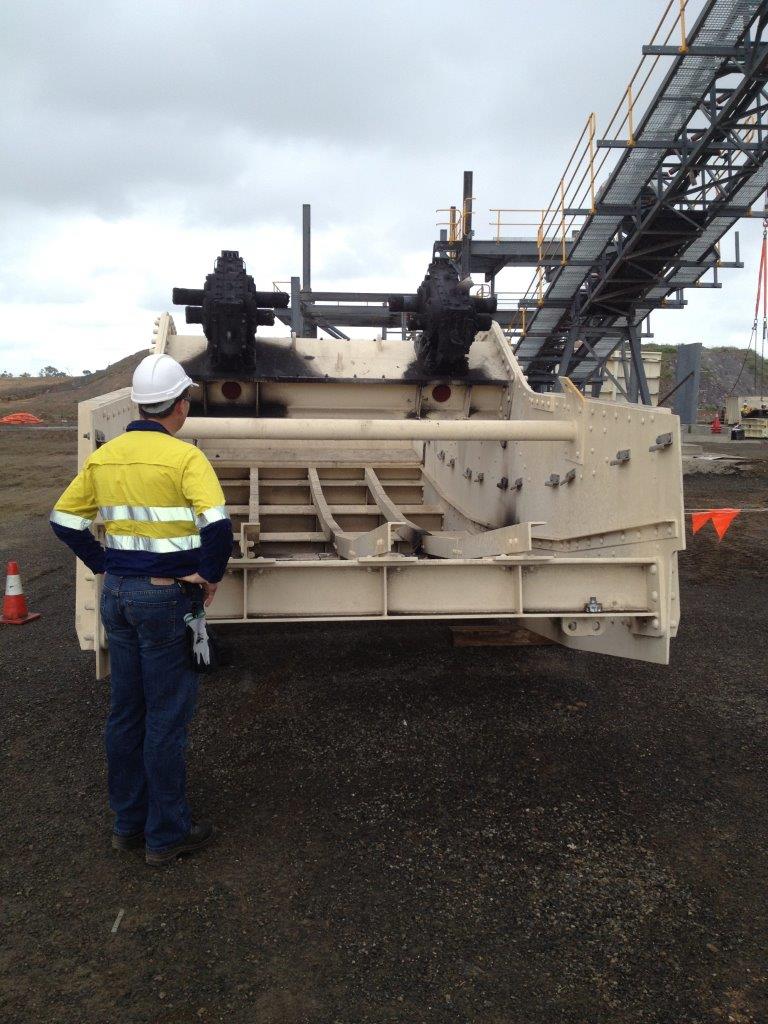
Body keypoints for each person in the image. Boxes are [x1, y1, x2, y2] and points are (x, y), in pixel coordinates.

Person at [50, 354, 233, 866]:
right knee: (166, 717)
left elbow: (64, 520)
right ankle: (168, 834)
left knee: (126, 711)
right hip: (165, 597)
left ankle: (128, 823)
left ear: (138, 404)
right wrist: (209, 576)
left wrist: (105, 563)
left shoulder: (106, 457)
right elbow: (218, 528)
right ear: (179, 405)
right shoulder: (185, 459)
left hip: (119, 596)